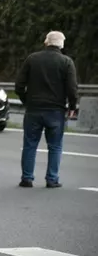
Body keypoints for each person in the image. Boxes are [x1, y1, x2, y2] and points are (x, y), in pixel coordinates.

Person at [14, 31, 78, 188]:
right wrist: (72, 106)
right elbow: (72, 88)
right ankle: (52, 179)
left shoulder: (32, 59)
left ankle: (27, 179)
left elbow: (19, 86)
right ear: (62, 45)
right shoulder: (66, 62)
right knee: (55, 146)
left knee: (30, 145)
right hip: (56, 111)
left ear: (46, 42)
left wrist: (27, 101)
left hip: (34, 109)